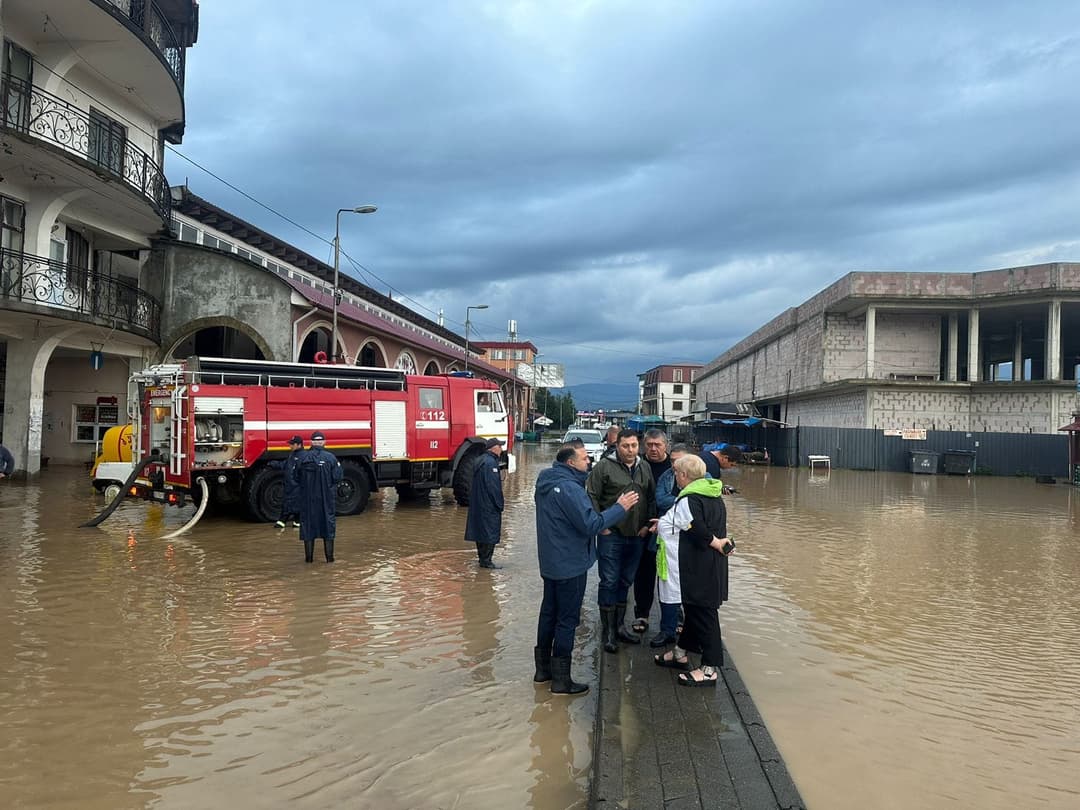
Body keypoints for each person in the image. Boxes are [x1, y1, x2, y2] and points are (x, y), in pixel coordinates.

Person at [534, 444, 639, 695]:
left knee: (548, 613)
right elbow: (590, 523)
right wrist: (619, 507)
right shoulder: (570, 488)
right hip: (570, 564)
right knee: (567, 619)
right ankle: (561, 681)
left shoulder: (545, 481)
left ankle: (542, 671)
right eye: (584, 458)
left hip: (550, 561)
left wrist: (593, 524)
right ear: (571, 463)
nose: (588, 460)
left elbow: (568, 519)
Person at [652, 454, 733, 687]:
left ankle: (709, 669)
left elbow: (696, 528)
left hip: (697, 568)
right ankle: (681, 652)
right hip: (708, 565)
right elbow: (688, 524)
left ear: (684, 476)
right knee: (694, 611)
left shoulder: (689, 499)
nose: (675, 476)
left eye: (676, 472)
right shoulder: (712, 493)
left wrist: (714, 542)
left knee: (704, 615)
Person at [586, 428, 656, 653]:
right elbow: (591, 496)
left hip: (636, 535)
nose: (630, 450)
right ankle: (607, 633)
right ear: (617, 446)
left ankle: (620, 627)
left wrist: (646, 525)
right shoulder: (604, 466)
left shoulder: (644, 466)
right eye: (625, 446)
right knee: (609, 580)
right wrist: (601, 525)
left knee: (626, 581)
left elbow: (651, 497)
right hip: (611, 534)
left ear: (639, 446)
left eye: (634, 446)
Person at [630, 429, 671, 635]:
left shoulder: (675, 466)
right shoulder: (637, 466)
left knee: (669, 576)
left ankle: (673, 618)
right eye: (650, 445)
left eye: (658, 445)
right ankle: (642, 614)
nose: (653, 449)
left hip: (670, 530)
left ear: (666, 446)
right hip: (643, 528)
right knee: (644, 572)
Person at [650, 442, 690, 647]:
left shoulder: (704, 479)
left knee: (689, 588)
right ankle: (667, 629)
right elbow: (660, 500)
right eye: (672, 461)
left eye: (679, 461)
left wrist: (678, 502)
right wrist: (681, 501)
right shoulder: (667, 476)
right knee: (665, 585)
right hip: (667, 542)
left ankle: (688, 630)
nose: (674, 465)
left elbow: (698, 508)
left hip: (690, 546)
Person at [295, 430, 342, 563]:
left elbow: (295, 477)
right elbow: (337, 477)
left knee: (308, 529)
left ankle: (309, 560)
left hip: (307, 501)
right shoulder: (331, 458)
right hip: (326, 501)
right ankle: (330, 560)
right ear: (324, 442)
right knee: (328, 527)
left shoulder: (302, 458)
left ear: (312, 442)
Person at [465, 438, 505, 569]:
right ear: (493, 448)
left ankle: (482, 559)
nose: (502, 449)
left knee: (481, 531)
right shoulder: (491, 463)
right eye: (500, 446)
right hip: (488, 505)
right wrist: (500, 505)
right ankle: (487, 561)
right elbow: (493, 487)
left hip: (478, 503)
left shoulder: (479, 460)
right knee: (490, 531)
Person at [272, 435, 305, 529]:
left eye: (292, 444)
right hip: (290, 486)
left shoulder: (303, 456)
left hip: (296, 487)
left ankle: (285, 522)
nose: (290, 446)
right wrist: (272, 464)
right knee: (291, 505)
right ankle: (293, 523)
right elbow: (285, 465)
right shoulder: (292, 455)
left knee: (293, 505)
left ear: (299, 445)